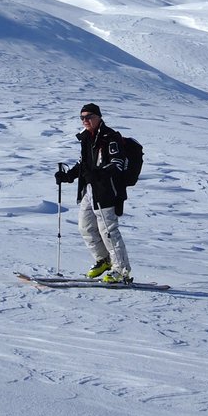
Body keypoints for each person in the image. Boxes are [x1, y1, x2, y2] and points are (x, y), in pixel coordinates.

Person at [54, 103, 133, 283]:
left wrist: (99, 173)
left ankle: (121, 270)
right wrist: (68, 176)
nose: (85, 120)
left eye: (89, 116)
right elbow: (83, 164)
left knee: (109, 231)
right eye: (82, 117)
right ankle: (103, 260)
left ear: (98, 117)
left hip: (106, 191)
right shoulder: (86, 138)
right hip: (89, 190)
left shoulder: (110, 137)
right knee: (85, 227)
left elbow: (117, 163)